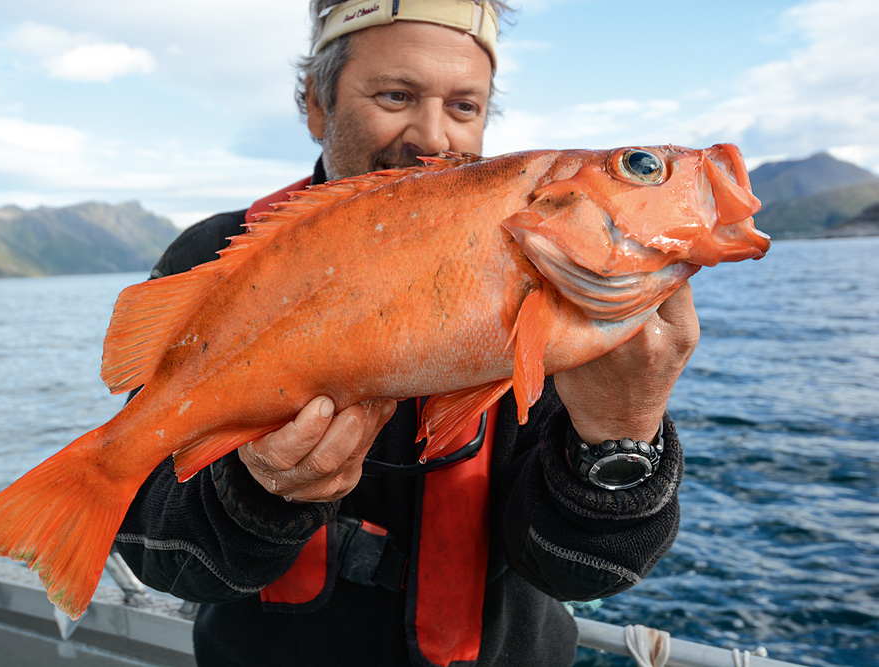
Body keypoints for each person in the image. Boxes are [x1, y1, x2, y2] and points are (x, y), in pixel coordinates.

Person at [115, 1, 695, 665]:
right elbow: (154, 551)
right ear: (316, 103)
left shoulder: (548, 270)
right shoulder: (218, 256)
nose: (434, 137)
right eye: (396, 95)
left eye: (464, 107)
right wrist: (254, 494)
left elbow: (580, 572)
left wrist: (620, 436)